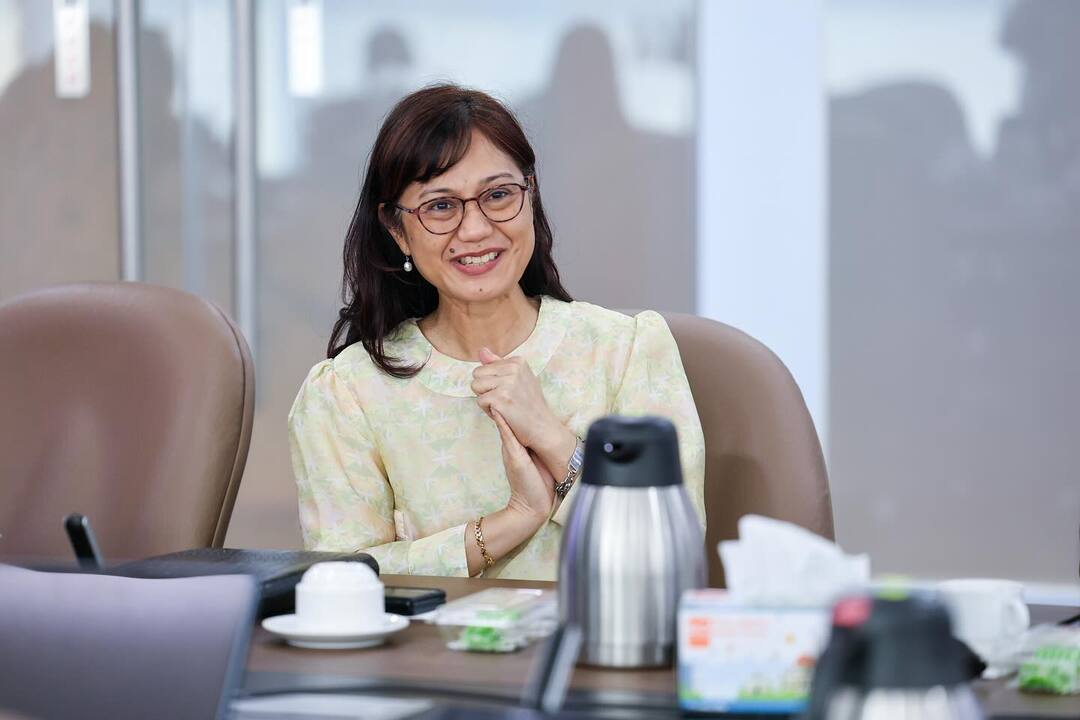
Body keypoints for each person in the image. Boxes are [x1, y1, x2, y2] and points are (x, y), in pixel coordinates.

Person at [288, 84, 705, 580]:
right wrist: (511, 521)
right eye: (440, 206)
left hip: (597, 633)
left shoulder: (628, 351)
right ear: (397, 229)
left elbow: (672, 557)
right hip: (424, 638)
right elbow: (340, 579)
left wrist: (553, 438)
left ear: (530, 195)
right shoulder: (346, 393)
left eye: (498, 195)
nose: (475, 229)